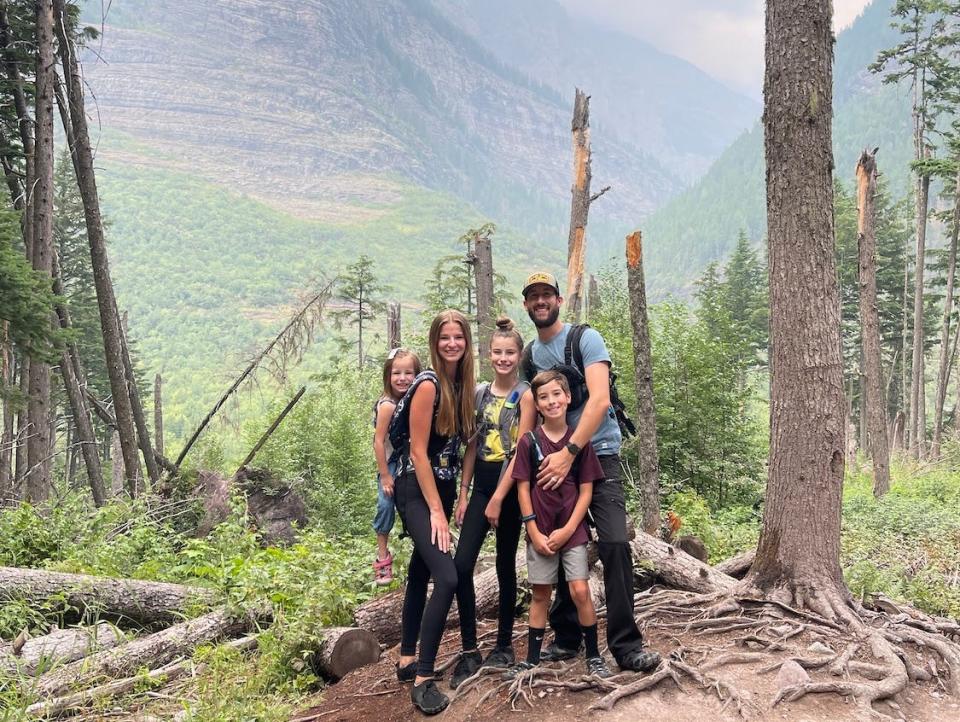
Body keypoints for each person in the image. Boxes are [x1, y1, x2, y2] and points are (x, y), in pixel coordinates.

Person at [520, 271, 661, 673]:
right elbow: (531, 412)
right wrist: (528, 462)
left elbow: (599, 400)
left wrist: (569, 452)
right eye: (534, 297)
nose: (541, 302)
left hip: (597, 452)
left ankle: (625, 645)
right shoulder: (531, 356)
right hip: (553, 460)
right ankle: (566, 637)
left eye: (547, 295)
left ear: (559, 300)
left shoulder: (585, 338)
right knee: (559, 540)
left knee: (615, 542)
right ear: (527, 305)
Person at [504, 370, 612, 679]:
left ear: (567, 398)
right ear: (536, 405)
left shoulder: (579, 443)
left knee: (580, 590)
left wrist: (568, 530)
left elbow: (587, 490)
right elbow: (523, 487)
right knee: (540, 594)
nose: (551, 401)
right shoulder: (529, 442)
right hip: (539, 531)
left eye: (556, 394)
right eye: (543, 397)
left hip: (572, 531)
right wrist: (533, 530)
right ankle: (532, 660)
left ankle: (593, 655)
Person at [393, 310, 475, 716]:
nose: (452, 343)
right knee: (447, 576)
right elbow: (418, 454)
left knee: (420, 573)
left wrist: (459, 494)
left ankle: (408, 659)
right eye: (445, 337)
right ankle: (425, 677)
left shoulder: (461, 385)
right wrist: (438, 513)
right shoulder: (427, 385)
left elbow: (462, 450)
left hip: (438, 489)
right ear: (434, 341)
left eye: (458, 336)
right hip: (416, 490)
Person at [449, 318, 535, 687]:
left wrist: (499, 498)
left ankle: (503, 644)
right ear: (488, 354)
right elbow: (472, 444)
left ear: (519, 355)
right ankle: (470, 649)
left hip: (510, 491)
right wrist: (464, 493)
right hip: (481, 486)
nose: (503, 358)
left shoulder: (526, 394)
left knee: (504, 566)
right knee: (461, 565)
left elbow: (522, 450)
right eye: (497, 352)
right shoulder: (481, 392)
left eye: (510, 352)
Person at [371, 348, 421, 585]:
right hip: (391, 462)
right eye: (396, 373)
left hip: (411, 458)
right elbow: (378, 441)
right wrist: (384, 475)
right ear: (388, 376)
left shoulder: (413, 401)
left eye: (408, 373)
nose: (402, 378)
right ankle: (382, 556)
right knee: (385, 503)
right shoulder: (388, 405)